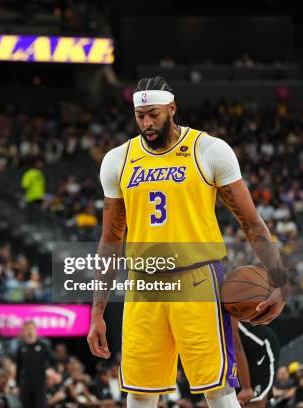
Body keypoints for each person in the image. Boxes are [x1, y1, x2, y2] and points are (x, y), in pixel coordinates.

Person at [87, 76, 290, 407]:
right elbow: (110, 239)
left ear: (172, 108)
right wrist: (97, 312)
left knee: (219, 390)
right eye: (140, 117)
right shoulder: (117, 160)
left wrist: (281, 282)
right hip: (144, 285)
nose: (147, 123)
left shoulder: (209, 150)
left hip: (197, 280)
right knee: (138, 394)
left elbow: (251, 221)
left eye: (153, 114)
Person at [233, 317, 280, 408]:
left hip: (260, 347)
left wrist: (246, 387)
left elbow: (236, 344)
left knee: (253, 402)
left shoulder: (215, 307)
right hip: (242, 352)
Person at [15, 320, 55, 408]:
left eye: (31, 328)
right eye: (26, 329)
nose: (29, 331)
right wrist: (17, 385)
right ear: (23, 331)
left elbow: (53, 362)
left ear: (35, 330)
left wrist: (51, 371)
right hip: (25, 383)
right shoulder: (21, 347)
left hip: (40, 383)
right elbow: (18, 368)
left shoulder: (43, 345)